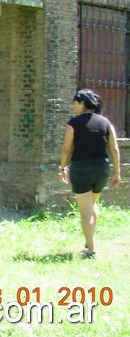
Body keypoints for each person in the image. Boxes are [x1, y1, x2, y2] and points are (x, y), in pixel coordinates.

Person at [59, 89, 121, 258]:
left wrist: (62, 167)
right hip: (102, 167)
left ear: (83, 104)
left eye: (75, 103)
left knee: (85, 211)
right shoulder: (106, 123)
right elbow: (114, 149)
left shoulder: (74, 123)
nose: (74, 106)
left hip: (81, 167)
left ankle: (91, 250)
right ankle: (89, 241)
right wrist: (117, 172)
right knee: (92, 205)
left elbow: (66, 149)